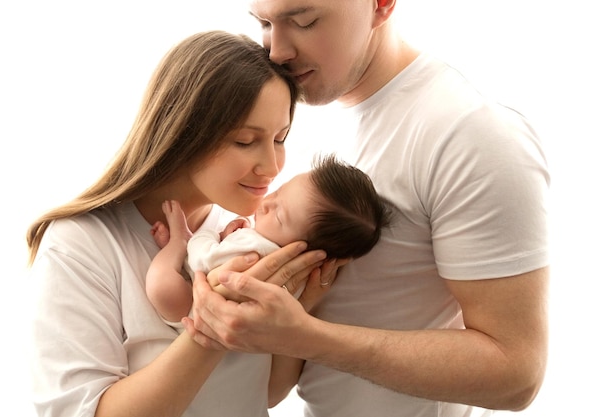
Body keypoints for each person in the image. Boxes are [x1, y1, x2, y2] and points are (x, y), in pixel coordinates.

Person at [185, 1, 551, 416]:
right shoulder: (310, 113)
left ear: (380, 5)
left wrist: (302, 335)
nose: (277, 51)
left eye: (304, 21)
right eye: (265, 23)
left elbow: (516, 376)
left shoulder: (471, 135)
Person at [25, 30, 336, 417]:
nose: (271, 167)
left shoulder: (243, 234)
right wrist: (210, 329)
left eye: (280, 138)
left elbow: (261, 392)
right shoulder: (80, 244)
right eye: (244, 141)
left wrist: (300, 315)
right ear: (184, 133)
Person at [146, 153, 393, 329]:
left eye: (279, 215)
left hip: (192, 308)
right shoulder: (299, 276)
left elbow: (204, 260)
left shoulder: (257, 248)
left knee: (162, 287)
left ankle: (177, 242)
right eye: (278, 192)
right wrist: (227, 239)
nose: (266, 204)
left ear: (305, 249)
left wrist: (203, 236)